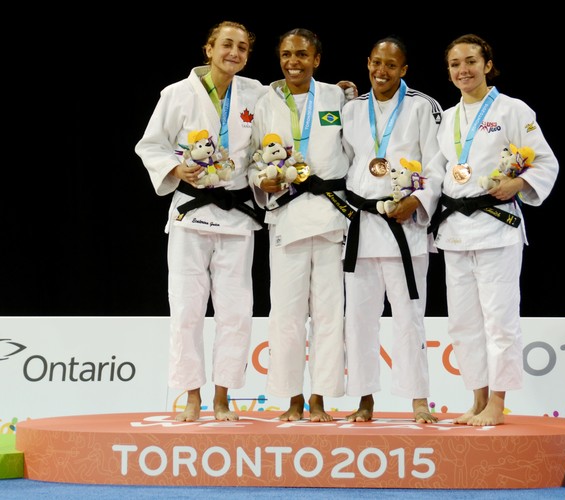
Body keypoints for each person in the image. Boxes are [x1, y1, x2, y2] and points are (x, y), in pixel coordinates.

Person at [135, 21, 267, 422]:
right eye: (227, 44)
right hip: (190, 214)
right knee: (188, 308)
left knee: (236, 310)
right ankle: (192, 396)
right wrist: (177, 169)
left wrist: (343, 92)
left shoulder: (257, 93)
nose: (235, 53)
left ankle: (223, 396)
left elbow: (291, 100)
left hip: (237, 215)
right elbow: (150, 144)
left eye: (242, 47)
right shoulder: (176, 94)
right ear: (208, 49)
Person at [429, 34, 559, 426]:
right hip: (454, 230)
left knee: (499, 319)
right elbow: (438, 173)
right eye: (454, 64)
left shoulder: (512, 110)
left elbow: (546, 163)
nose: (462, 70)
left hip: (496, 227)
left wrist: (518, 184)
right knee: (463, 322)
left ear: (487, 64)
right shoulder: (448, 117)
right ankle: (477, 398)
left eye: (470, 61)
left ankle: (498, 403)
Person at [248, 28, 356, 422]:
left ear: (317, 59)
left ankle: (320, 400)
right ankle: (292, 398)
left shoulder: (337, 97)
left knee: (330, 314)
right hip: (287, 215)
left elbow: (354, 149)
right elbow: (252, 159)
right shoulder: (265, 102)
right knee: (286, 314)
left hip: (329, 215)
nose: (294, 61)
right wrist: (263, 181)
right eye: (287, 54)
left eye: (302, 55)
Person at [341, 36, 444, 423]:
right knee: (359, 320)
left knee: (409, 317)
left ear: (404, 70)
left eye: (391, 65)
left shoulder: (422, 106)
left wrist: (416, 202)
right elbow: (346, 164)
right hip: (363, 226)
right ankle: (365, 397)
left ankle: (419, 399)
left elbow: (437, 164)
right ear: (367, 62)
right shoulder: (352, 110)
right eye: (376, 62)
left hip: (406, 230)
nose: (381, 71)